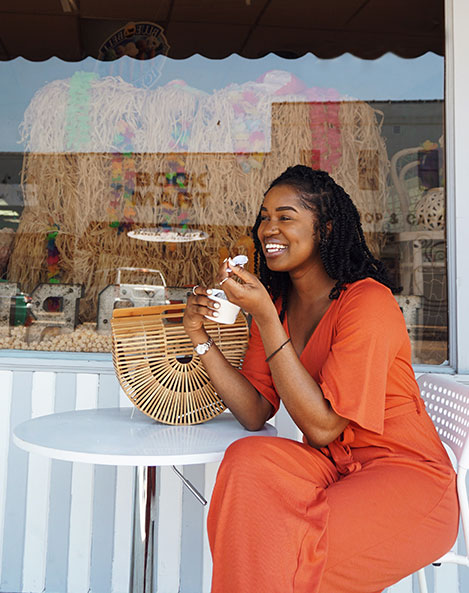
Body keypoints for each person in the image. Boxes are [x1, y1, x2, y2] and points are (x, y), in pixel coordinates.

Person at [183, 165, 458, 593]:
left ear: (325, 228)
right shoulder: (278, 303)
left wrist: (268, 320)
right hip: (332, 469)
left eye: (285, 216)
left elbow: (325, 425)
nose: (268, 228)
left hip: (403, 476)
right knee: (247, 459)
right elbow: (255, 411)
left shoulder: (367, 302)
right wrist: (201, 340)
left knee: (288, 551)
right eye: (264, 216)